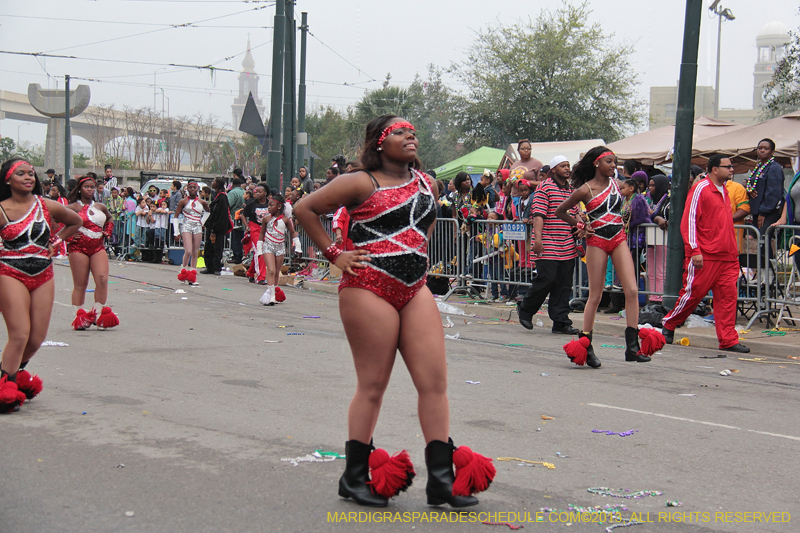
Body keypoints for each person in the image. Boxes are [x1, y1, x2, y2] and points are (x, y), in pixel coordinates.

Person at [294, 115, 495, 508]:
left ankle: (441, 480)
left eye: (413, 132)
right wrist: (336, 254)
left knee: (434, 383)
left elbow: (429, 224)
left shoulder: (427, 183)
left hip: (414, 289)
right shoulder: (359, 181)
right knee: (373, 386)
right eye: (400, 132)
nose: (411, 137)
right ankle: (353, 477)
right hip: (367, 287)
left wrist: (414, 257)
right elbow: (304, 209)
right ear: (379, 143)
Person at [556, 147, 663, 367]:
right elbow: (560, 211)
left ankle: (632, 347)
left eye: (615, 162)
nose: (614, 165)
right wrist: (580, 225)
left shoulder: (617, 184)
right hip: (596, 242)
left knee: (632, 290)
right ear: (596, 163)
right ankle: (586, 344)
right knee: (595, 295)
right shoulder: (585, 190)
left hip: (618, 239)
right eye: (609, 161)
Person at [0, 159, 82, 412]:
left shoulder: (45, 205)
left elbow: (75, 221)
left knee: (36, 339)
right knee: (20, 333)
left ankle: (11, 372)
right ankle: (7, 385)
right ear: (7, 180)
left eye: (31, 174)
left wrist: (56, 241)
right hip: (10, 272)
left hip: (43, 274)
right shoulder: (1, 209)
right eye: (21, 174)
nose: (28, 178)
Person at [661, 155, 750, 353]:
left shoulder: (726, 190)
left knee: (727, 299)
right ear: (715, 169)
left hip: (727, 255)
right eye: (727, 167)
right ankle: (668, 323)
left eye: (732, 166)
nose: (732, 170)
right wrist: (694, 250)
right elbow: (689, 220)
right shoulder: (701, 188)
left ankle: (728, 340)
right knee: (693, 295)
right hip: (705, 254)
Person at [517, 156, 580, 336]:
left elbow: (575, 214)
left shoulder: (571, 190)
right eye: (563, 166)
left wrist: (579, 225)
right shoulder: (545, 188)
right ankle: (526, 309)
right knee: (547, 279)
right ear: (553, 170)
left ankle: (561, 321)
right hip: (548, 243)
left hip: (567, 243)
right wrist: (538, 240)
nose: (567, 169)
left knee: (563, 285)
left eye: (568, 165)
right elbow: (538, 216)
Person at [65, 175, 120, 331]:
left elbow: (110, 219)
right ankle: (79, 316)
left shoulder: (100, 207)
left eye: (92, 187)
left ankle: (96, 313)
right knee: (81, 284)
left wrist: (107, 231)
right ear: (80, 189)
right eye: (86, 187)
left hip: (97, 246)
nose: (89, 189)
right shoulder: (73, 207)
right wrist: (68, 236)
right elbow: (54, 220)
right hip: (78, 248)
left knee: (102, 279)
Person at [257, 194, 302, 305]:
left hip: (280, 246)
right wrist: (259, 249)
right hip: (268, 246)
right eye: (268, 206)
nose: (268, 208)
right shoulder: (266, 219)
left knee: (277, 271)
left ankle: (274, 293)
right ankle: (271, 296)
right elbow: (262, 233)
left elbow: (292, 233)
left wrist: (298, 246)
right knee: (271, 270)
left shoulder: (286, 220)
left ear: (278, 207)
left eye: (271, 205)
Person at [174, 181, 209, 285]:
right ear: (187, 189)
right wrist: (176, 232)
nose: (192, 189)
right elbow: (176, 216)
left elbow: (208, 212)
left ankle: (192, 275)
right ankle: (183, 271)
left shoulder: (202, 202)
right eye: (190, 188)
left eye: (194, 187)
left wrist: (202, 222)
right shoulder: (183, 202)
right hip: (186, 226)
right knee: (188, 251)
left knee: (195, 252)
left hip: (197, 227)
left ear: (197, 189)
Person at [646, 175, 671, 301]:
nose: (650, 188)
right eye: (649, 185)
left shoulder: (668, 201)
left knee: (661, 270)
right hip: (651, 241)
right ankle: (652, 297)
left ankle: (660, 298)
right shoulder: (650, 201)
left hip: (664, 240)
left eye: (653, 185)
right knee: (651, 271)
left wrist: (655, 216)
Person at [202, 177, 232, 275]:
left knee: (217, 248)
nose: (212, 182)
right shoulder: (216, 196)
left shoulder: (222, 198)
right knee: (209, 247)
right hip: (212, 226)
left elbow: (221, 214)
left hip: (217, 228)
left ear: (218, 184)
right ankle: (209, 267)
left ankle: (216, 267)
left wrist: (214, 230)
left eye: (214, 181)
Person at [243, 183, 271, 284]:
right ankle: (261, 277)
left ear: (265, 193)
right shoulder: (251, 203)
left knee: (260, 252)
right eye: (256, 192)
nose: (258, 194)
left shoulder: (270, 203)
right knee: (260, 251)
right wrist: (247, 226)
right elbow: (242, 215)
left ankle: (250, 273)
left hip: (266, 230)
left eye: (260, 192)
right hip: (254, 229)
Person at [228, 176, 246, 264]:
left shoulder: (232, 193)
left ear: (233, 184)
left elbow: (228, 204)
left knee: (235, 238)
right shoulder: (244, 192)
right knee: (241, 238)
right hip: (244, 219)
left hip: (234, 218)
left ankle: (236, 256)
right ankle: (240, 255)